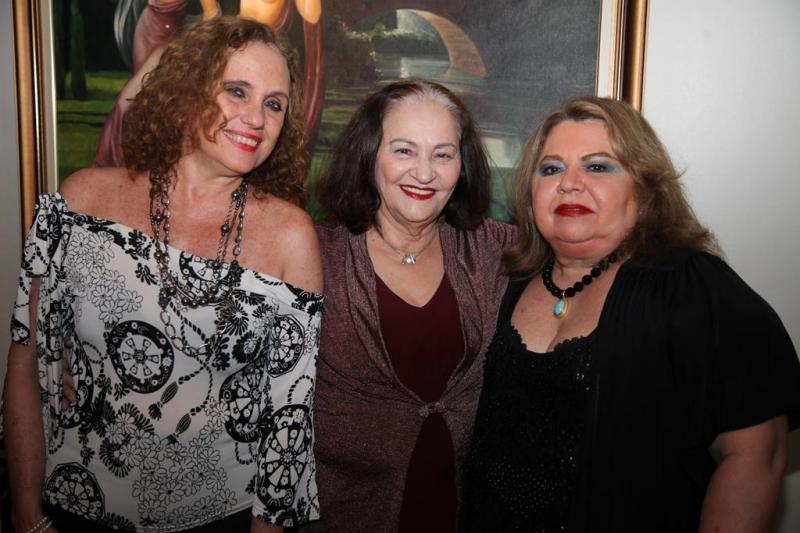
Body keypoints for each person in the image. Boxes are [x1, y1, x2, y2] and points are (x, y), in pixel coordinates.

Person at [3, 17, 323, 532]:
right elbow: (26, 360)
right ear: (189, 89)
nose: (256, 118)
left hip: (217, 520)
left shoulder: (291, 238)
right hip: (72, 507)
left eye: (274, 104)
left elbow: (288, 425)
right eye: (236, 91)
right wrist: (25, 513)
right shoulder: (81, 202)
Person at [460, 96, 800, 532]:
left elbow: (756, 455)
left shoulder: (690, 287)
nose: (569, 183)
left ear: (644, 187)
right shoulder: (505, 282)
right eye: (551, 169)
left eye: (598, 166)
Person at [302, 80, 515, 532]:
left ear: (462, 165)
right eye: (403, 150)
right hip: (342, 518)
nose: (424, 173)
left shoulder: (494, 250)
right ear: (369, 155)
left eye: (443, 155)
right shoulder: (314, 254)